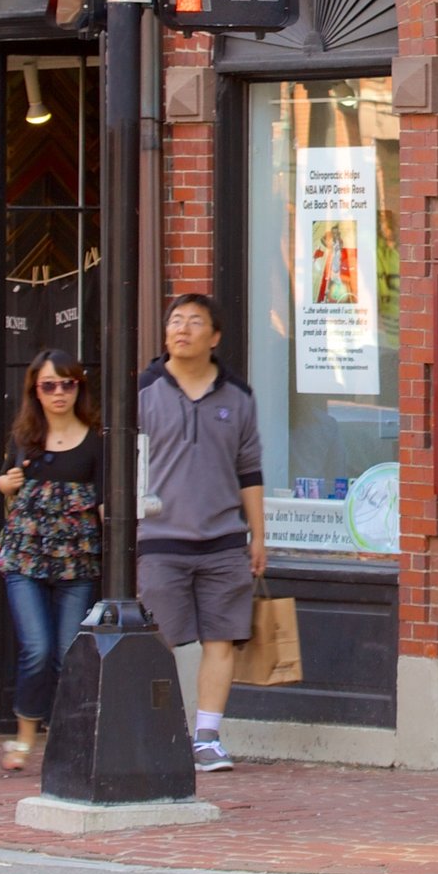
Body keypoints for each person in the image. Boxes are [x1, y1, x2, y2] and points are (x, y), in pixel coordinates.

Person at [136, 293, 266, 775]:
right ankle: (161, 731)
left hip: (224, 540)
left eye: (194, 322)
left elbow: (249, 469)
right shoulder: (143, 392)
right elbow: (126, 466)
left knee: (221, 640)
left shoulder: (238, 397)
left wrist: (258, 535)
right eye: (175, 321)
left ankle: (207, 737)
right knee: (157, 641)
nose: (182, 329)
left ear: (214, 337)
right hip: (159, 540)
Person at [0, 350, 102, 772]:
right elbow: (3, 480)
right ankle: (24, 737)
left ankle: (65, 737)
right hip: (26, 557)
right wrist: (6, 482)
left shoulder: (95, 439)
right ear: (35, 391)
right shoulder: (24, 436)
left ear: (79, 387)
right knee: (36, 648)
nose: (59, 393)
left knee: (67, 652)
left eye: (67, 384)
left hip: (77, 560)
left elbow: (105, 498)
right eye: (49, 385)